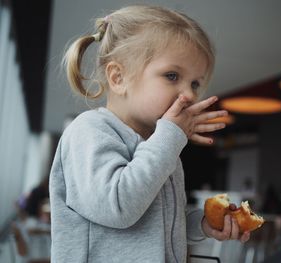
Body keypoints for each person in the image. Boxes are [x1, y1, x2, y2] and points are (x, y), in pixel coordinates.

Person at [49, 5, 250, 262]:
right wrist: (169, 138)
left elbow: (159, 222)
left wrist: (202, 224)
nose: (188, 94)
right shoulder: (89, 131)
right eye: (172, 75)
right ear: (118, 77)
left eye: (195, 83)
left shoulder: (160, 146)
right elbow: (119, 206)